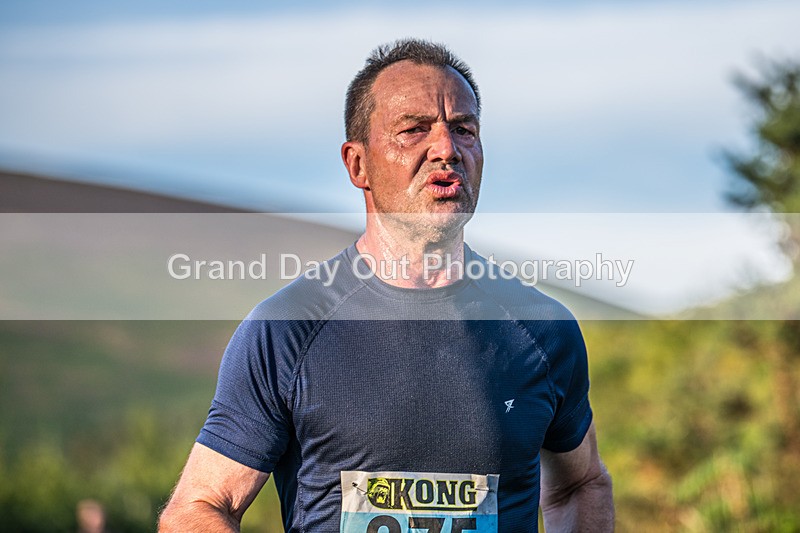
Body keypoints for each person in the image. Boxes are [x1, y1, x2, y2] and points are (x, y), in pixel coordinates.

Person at [159, 38, 613, 532]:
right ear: (358, 165)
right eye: (414, 130)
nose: (446, 149)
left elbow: (580, 483)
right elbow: (198, 507)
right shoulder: (287, 329)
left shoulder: (542, 330)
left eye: (464, 129)